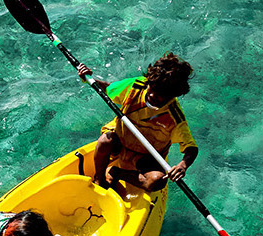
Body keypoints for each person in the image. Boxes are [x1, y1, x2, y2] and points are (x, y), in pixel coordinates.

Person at [73, 53, 198, 193]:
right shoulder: (137, 86)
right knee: (104, 141)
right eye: (152, 89)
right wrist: (88, 79)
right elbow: (108, 89)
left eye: (159, 96)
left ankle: (117, 173)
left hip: (146, 157)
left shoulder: (174, 117)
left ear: (172, 96)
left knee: (157, 182)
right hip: (120, 142)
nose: (151, 96)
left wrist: (183, 165)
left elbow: (191, 148)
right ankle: (100, 179)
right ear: (149, 81)